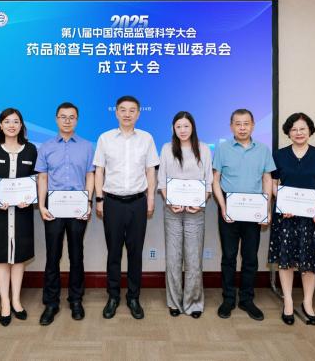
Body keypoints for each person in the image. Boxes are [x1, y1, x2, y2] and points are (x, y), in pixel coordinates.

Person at [94, 95, 159, 320]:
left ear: (139, 114)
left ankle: (133, 297)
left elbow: (151, 171)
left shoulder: (147, 138)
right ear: (116, 113)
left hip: (137, 202)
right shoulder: (105, 138)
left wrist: (151, 199)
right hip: (112, 202)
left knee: (135, 253)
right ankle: (113, 296)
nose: (127, 114)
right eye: (123, 110)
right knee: (113, 252)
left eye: (132, 110)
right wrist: (99, 199)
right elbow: (99, 170)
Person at [269, 112, 315, 326]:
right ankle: (288, 301)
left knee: (310, 261)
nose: (298, 133)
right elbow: (273, 184)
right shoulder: (279, 155)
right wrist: (282, 204)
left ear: (310, 131)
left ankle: (307, 302)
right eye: (294, 129)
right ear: (288, 132)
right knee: (285, 261)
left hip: (313, 218)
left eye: (302, 129)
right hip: (286, 217)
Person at [212, 109, 275, 321]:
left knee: (250, 258)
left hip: (254, 210)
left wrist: (266, 209)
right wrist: (223, 207)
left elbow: (267, 179)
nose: (242, 127)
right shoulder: (222, 148)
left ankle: (247, 299)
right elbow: (215, 180)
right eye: (237, 124)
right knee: (229, 257)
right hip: (229, 209)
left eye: (246, 123)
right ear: (231, 126)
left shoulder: (263, 150)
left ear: (253, 125)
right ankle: (228, 299)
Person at [0, 108, 37, 326]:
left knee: (19, 257)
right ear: (0, 125)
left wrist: (29, 197)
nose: (12, 125)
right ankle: (4, 302)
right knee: (1, 257)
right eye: (7, 121)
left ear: (21, 125)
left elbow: (36, 179)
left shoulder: (31, 149)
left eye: (16, 121)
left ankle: (16, 300)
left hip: (22, 211)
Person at [35, 102, 95, 326]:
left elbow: (90, 176)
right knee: (53, 255)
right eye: (63, 116)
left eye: (71, 117)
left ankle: (76, 299)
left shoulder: (87, 146)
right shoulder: (46, 146)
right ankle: (51, 303)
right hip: (54, 207)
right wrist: (42, 205)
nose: (67, 121)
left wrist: (88, 202)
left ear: (77, 120)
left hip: (78, 206)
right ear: (56, 119)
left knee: (76, 254)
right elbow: (42, 177)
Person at [157, 111, 212, 319]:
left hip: (196, 212)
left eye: (186, 126)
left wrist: (200, 202)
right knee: (173, 259)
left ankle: (193, 303)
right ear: (173, 128)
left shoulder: (204, 149)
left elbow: (208, 181)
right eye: (178, 126)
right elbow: (162, 180)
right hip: (172, 211)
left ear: (193, 127)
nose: (182, 130)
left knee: (193, 259)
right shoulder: (166, 148)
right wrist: (170, 201)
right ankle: (174, 302)